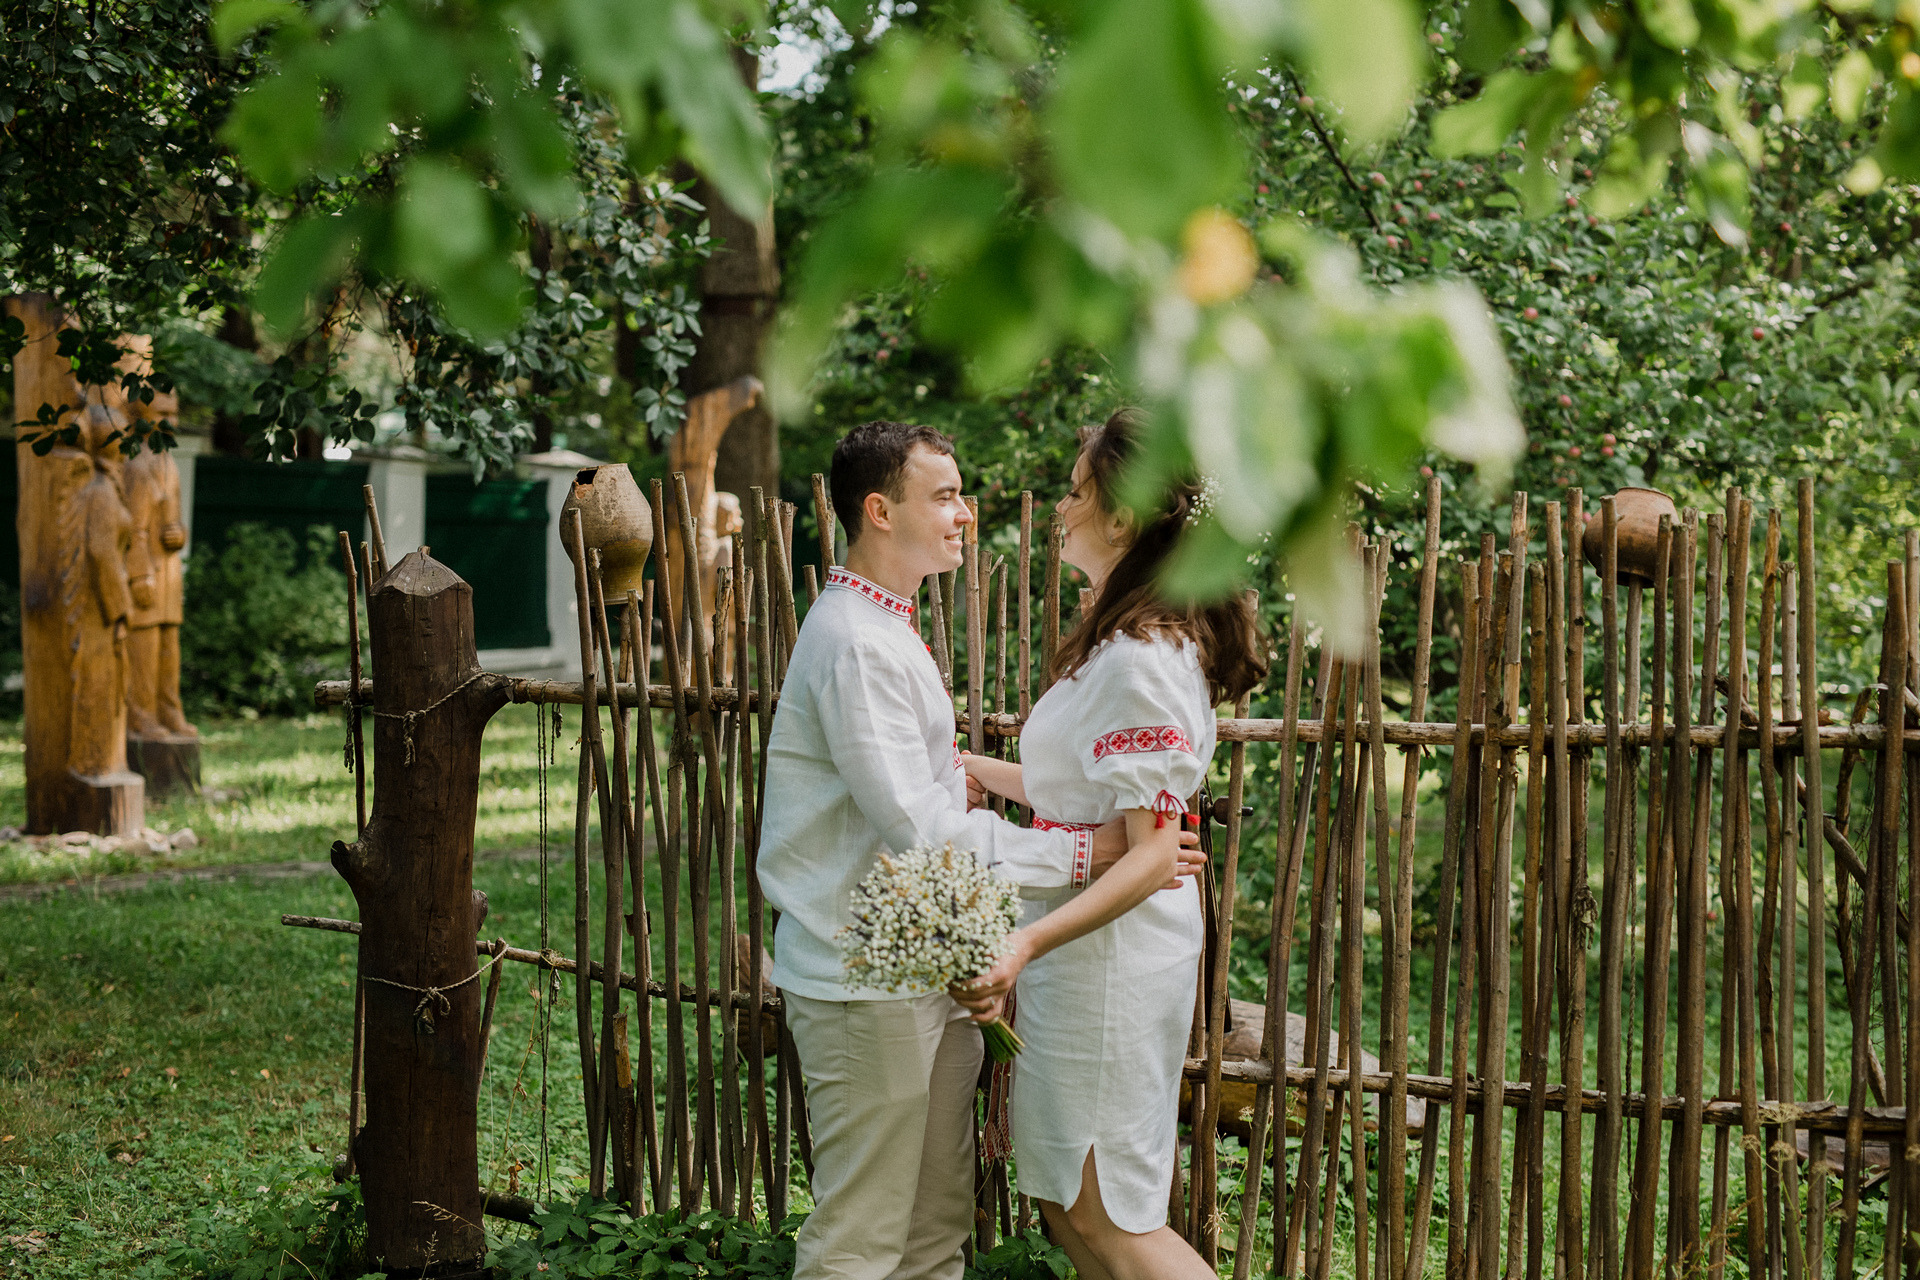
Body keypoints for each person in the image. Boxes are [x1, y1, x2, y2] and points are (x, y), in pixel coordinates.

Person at [756, 420, 1203, 1280]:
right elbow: (921, 828)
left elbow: (917, 789)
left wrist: (960, 774)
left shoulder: (888, 626)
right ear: (881, 511)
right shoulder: (854, 640)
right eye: (946, 496)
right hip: (862, 978)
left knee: (932, 1230)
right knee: (860, 1237)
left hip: (926, 967)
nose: (967, 513)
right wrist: (1082, 852)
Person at [957, 408, 1266, 1280]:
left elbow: (1154, 852)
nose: (1060, 508)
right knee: (1065, 1201)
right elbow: (1079, 790)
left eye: (1074, 491)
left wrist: (1023, 943)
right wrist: (975, 766)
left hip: (1111, 961)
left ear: (1122, 520)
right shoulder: (1120, 644)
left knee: (1110, 1210)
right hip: (1082, 946)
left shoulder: (1141, 658)